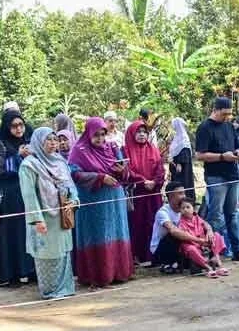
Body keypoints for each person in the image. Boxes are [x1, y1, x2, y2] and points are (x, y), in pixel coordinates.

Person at [68, 116, 135, 287]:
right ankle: (99, 274)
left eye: (103, 134)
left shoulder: (111, 147)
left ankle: (119, 272)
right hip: (93, 202)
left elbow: (125, 172)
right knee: (98, 234)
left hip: (115, 200)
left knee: (116, 232)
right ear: (88, 134)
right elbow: (75, 174)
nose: (100, 139)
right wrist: (100, 177)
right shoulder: (79, 150)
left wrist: (122, 171)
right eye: (96, 135)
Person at [19, 127, 79, 299]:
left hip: (62, 215)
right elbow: (29, 195)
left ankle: (66, 288)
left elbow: (70, 185)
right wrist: (37, 219)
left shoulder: (60, 161)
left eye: (55, 139)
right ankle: (50, 290)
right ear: (38, 142)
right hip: (44, 218)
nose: (54, 143)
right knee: (47, 254)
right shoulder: (29, 165)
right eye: (49, 140)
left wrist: (74, 200)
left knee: (63, 251)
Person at [194, 96, 239, 262]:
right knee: (215, 215)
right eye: (224, 113)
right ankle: (214, 252)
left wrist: (238, 152)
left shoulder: (228, 126)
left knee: (232, 214)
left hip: (233, 174)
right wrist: (221, 156)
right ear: (216, 110)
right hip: (215, 176)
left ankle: (238, 250)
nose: (227, 117)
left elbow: (235, 145)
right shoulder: (205, 127)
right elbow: (200, 155)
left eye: (229, 114)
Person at [0, 109, 36, 287]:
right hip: (7, 197)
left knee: (29, 231)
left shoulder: (28, 140)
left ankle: (30, 271)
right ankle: (12, 275)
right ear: (7, 127)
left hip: (27, 194)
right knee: (10, 235)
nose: (18, 129)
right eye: (14, 126)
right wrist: (17, 157)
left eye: (21, 124)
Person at [123, 119, 166, 265]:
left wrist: (155, 182)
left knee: (154, 222)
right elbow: (127, 170)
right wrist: (143, 181)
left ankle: (154, 255)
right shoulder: (126, 150)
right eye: (138, 132)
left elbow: (160, 168)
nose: (142, 135)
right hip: (138, 194)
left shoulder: (153, 148)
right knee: (137, 224)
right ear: (131, 134)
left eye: (144, 132)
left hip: (153, 194)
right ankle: (136, 255)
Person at [177, 200, 229, 278]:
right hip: (191, 244)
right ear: (180, 211)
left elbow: (206, 224)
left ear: (193, 209)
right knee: (190, 249)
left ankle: (219, 263)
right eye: (183, 208)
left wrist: (209, 231)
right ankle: (209, 268)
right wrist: (201, 242)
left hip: (203, 241)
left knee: (216, 235)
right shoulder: (181, 223)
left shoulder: (197, 218)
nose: (185, 209)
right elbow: (186, 237)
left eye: (188, 207)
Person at [150, 181, 189, 272]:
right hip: (161, 249)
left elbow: (200, 222)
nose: (184, 196)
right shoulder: (162, 212)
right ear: (170, 195)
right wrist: (197, 240)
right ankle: (167, 263)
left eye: (184, 193)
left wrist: (208, 230)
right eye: (180, 193)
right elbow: (173, 230)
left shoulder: (185, 209)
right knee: (174, 235)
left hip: (179, 245)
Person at [168, 117, 195, 199]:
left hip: (183, 168)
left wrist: (180, 163)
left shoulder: (183, 137)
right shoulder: (177, 137)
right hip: (175, 165)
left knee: (184, 183)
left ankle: (186, 200)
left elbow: (185, 151)